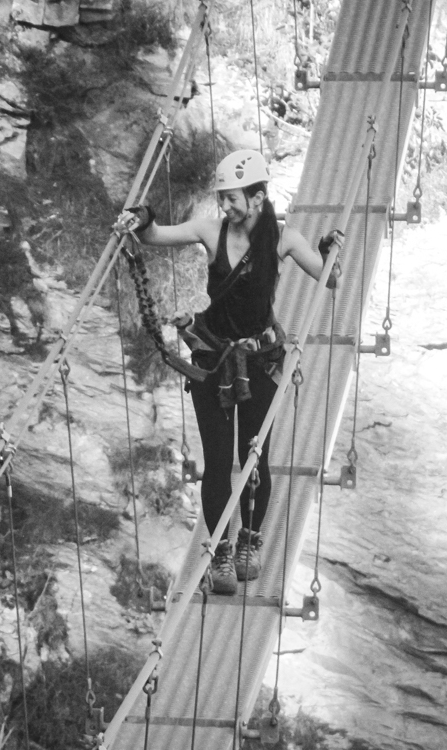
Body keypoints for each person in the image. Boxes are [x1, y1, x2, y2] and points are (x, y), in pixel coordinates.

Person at [124, 149, 341, 594]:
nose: (225, 207)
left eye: (233, 198)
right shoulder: (210, 231)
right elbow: (156, 236)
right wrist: (142, 218)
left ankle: (249, 542)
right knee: (220, 463)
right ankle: (220, 551)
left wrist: (326, 252)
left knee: (256, 456)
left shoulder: (282, 240)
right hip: (214, 363)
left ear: (259, 197)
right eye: (222, 198)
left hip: (258, 363)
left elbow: (328, 279)